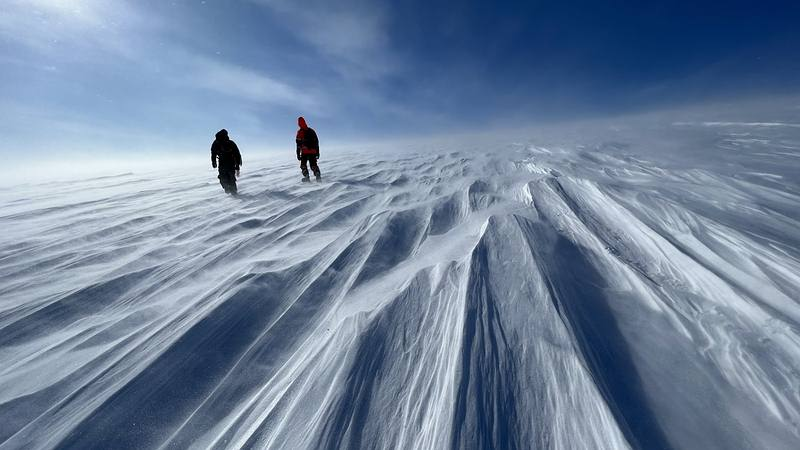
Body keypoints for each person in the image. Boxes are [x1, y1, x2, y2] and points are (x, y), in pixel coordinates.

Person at [211, 129, 242, 194]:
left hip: (230, 163)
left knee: (231, 179)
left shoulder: (230, 143)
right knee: (223, 179)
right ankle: (228, 192)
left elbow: (237, 154)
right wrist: (214, 162)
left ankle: (234, 193)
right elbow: (213, 153)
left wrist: (237, 166)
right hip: (222, 163)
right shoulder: (216, 143)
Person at [296, 116, 321, 181]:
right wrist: (317, 152)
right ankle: (317, 174)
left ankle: (306, 177)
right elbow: (317, 142)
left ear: (298, 124)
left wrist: (298, 154)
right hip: (313, 151)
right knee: (313, 165)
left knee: (303, 165)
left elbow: (298, 144)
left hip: (304, 152)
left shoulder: (299, 132)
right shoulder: (312, 131)